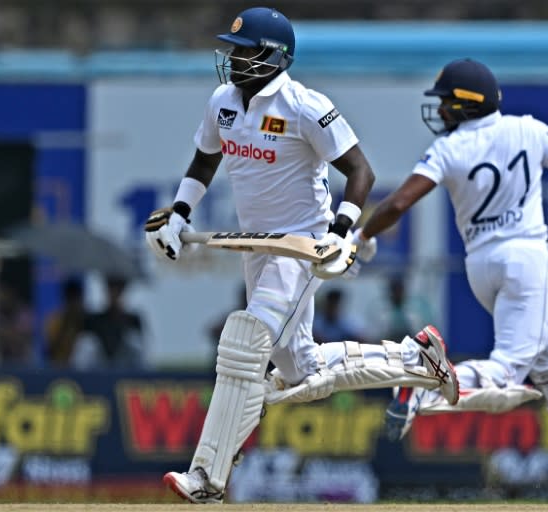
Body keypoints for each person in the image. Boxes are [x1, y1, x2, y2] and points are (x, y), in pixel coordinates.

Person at [143, 7, 458, 504]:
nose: (234, 60)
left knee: (246, 339)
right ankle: (415, 358)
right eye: (232, 50)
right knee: (300, 370)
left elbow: (361, 171)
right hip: (256, 243)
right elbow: (206, 159)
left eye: (244, 52)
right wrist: (181, 214)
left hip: (300, 243)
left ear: (274, 58)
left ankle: (206, 475)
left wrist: (340, 230)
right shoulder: (223, 101)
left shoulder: (304, 105)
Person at [352, 58, 548, 495]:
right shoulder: (530, 129)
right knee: (510, 369)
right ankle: (424, 385)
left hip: (482, 267)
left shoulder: (448, 149)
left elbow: (396, 205)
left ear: (468, 105)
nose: (442, 112)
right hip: (527, 260)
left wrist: (362, 235)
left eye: (448, 104)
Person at [45, 276, 87, 366]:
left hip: (82, 370)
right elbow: (49, 350)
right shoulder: (56, 320)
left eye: (76, 299)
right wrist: (66, 324)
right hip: (59, 367)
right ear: (66, 299)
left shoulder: (85, 319)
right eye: (71, 299)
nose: (74, 303)